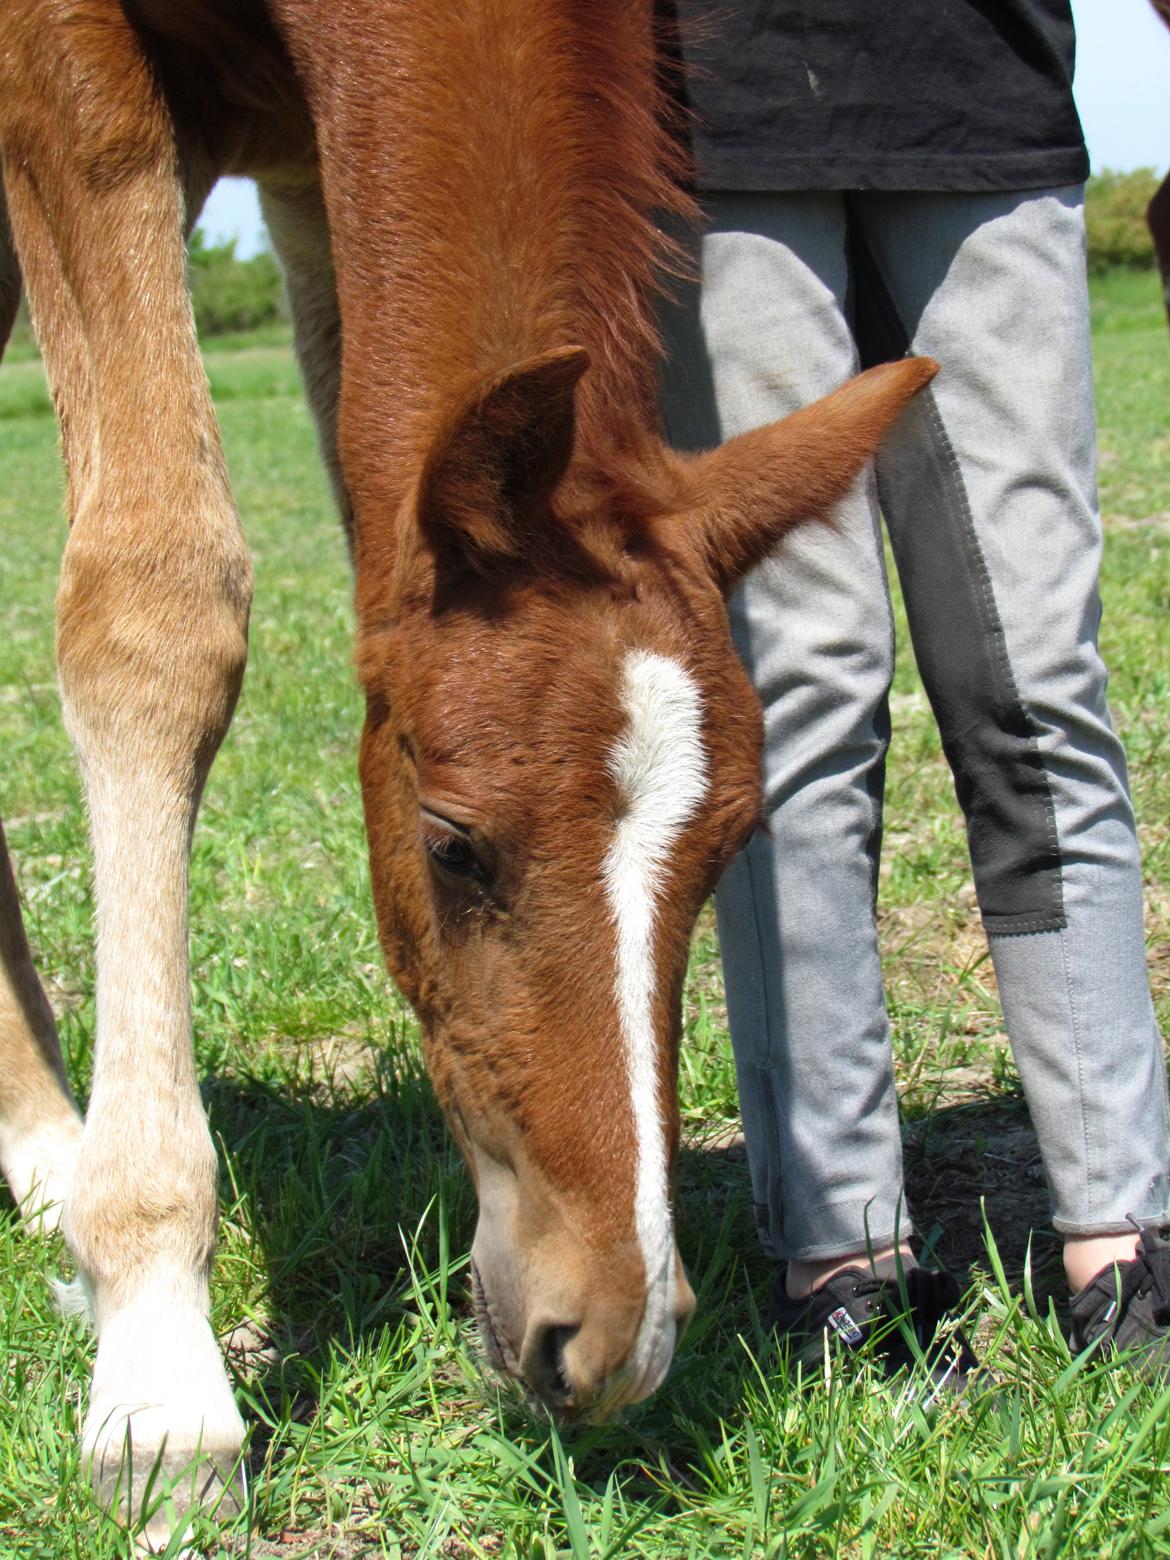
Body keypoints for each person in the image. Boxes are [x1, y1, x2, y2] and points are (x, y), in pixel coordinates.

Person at [658, 0, 1170, 1382]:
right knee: (801, 687)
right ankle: (840, 1258)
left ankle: (1122, 1235)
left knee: (1037, 677)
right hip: (720, 105)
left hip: (981, 92)